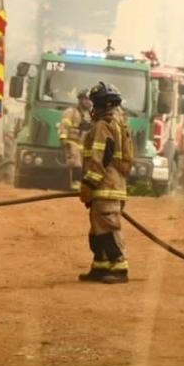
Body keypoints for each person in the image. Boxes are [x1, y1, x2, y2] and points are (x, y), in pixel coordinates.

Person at [77, 81, 133, 284]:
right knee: (98, 230)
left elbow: (100, 158)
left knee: (108, 229)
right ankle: (100, 266)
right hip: (109, 187)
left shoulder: (103, 125)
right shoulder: (118, 123)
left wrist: (89, 184)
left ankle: (119, 267)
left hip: (106, 187)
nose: (93, 108)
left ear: (101, 104)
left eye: (95, 104)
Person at [59, 89, 94, 190]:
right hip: (72, 141)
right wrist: (63, 138)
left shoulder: (92, 115)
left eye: (90, 100)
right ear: (80, 100)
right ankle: (76, 184)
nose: (88, 102)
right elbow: (64, 126)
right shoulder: (71, 112)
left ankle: (83, 185)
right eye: (85, 99)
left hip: (85, 144)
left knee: (86, 165)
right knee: (76, 162)